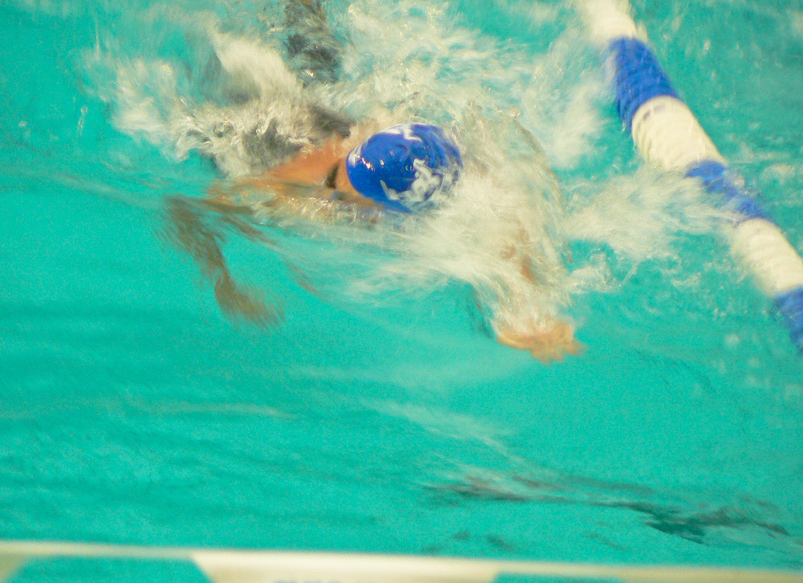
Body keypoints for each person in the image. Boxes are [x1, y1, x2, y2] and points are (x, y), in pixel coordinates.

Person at [165, 2, 581, 362]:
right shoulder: (297, 189)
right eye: (346, 174)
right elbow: (191, 207)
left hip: (314, 122)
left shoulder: (453, 177)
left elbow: (509, 236)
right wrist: (222, 282)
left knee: (312, 65)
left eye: (353, 184)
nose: (344, 181)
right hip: (251, 130)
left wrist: (530, 319)